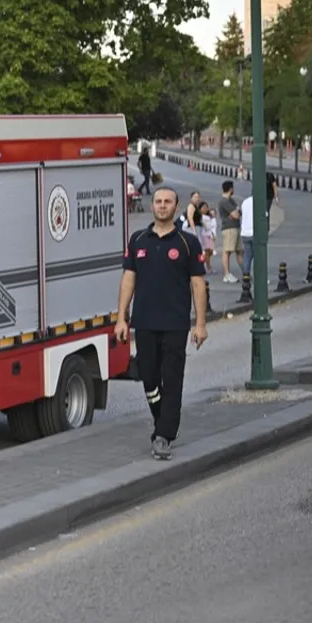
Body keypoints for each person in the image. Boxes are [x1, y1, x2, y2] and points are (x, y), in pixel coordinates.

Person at [114, 186, 208, 461]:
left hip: (175, 324)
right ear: (152, 205)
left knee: (173, 380)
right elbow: (128, 279)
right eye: (158, 201)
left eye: (168, 202)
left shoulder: (188, 243)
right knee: (150, 379)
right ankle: (163, 420)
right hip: (144, 323)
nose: (162, 205)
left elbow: (198, 284)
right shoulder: (138, 240)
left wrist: (200, 324)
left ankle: (164, 435)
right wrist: (121, 317)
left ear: (176, 207)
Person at [217, 180, 242, 283]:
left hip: (235, 227)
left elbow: (237, 212)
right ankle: (227, 274)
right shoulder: (225, 202)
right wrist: (237, 212)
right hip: (229, 229)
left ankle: (246, 272)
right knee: (227, 251)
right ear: (230, 189)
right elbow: (236, 214)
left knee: (240, 251)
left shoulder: (231, 200)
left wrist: (237, 212)